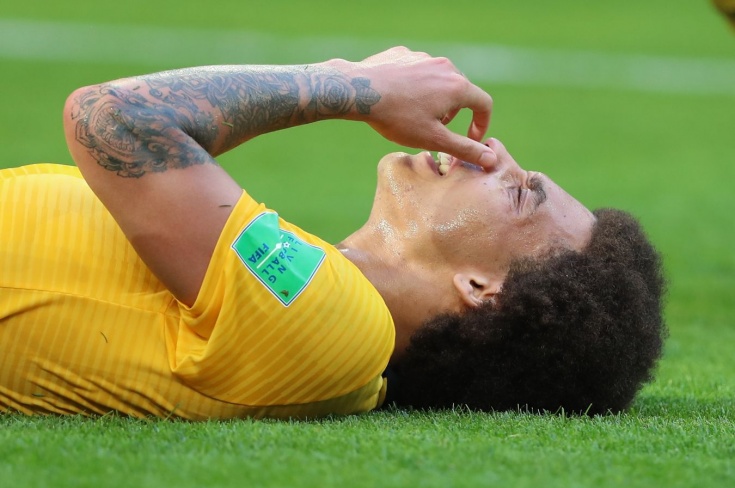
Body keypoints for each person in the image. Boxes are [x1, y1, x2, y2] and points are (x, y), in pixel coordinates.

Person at [0, 47, 665, 420]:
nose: (493, 153)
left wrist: (354, 86)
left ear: (482, 289)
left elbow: (113, 120)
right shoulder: (321, 297)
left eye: (518, 192)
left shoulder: (346, 335)